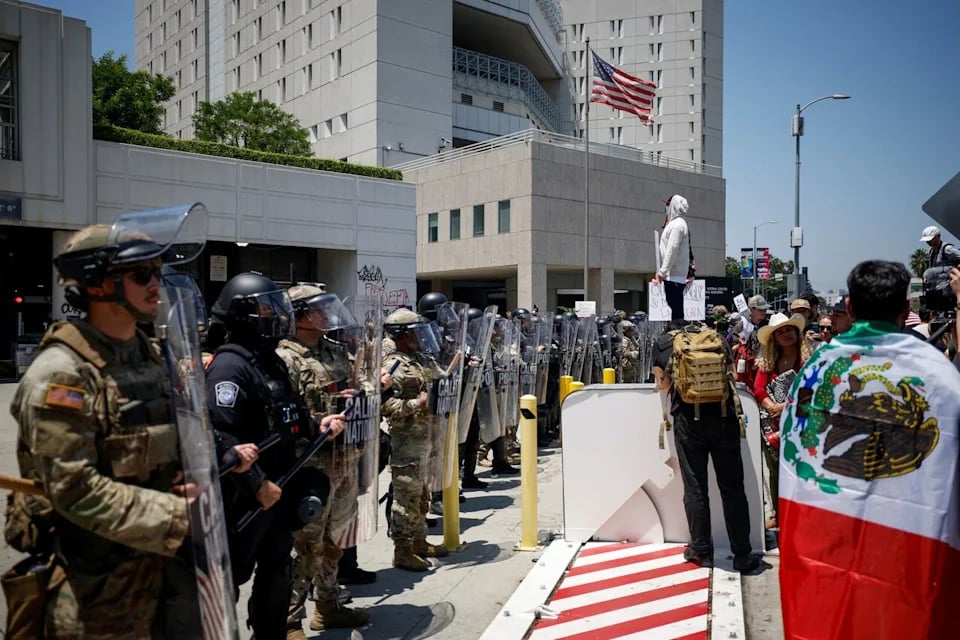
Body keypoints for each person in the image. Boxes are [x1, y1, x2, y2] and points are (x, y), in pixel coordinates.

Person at [7, 222, 221, 637]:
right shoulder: (62, 375)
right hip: (97, 589)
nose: (156, 284)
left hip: (166, 572)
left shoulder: (153, 356)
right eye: (142, 274)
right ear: (97, 283)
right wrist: (179, 515)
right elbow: (74, 489)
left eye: (158, 273)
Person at [779, 260, 960, 639]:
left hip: (825, 543)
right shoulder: (942, 377)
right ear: (905, 311)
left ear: (849, 307)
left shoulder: (816, 370)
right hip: (907, 554)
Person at [206, 273, 345, 640]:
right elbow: (220, 435)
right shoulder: (229, 367)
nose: (275, 314)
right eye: (266, 307)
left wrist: (318, 425)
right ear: (243, 314)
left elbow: (289, 415)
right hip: (245, 500)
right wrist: (256, 485)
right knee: (228, 582)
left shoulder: (269, 361)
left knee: (277, 572)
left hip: (278, 491)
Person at [277, 286, 376, 638]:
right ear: (301, 316)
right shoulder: (285, 358)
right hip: (311, 466)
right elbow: (283, 415)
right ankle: (289, 620)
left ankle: (328, 606)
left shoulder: (335, 351)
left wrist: (359, 393)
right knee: (305, 545)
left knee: (335, 538)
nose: (326, 316)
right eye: (319, 310)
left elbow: (365, 383)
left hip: (344, 460)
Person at [652, 321, 760, 574]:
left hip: (689, 421)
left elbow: (663, 384)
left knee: (695, 486)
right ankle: (742, 554)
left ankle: (701, 550)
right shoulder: (719, 339)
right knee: (732, 487)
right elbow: (731, 375)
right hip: (724, 420)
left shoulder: (664, 343)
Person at [381, 308, 450, 571]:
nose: (420, 336)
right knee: (405, 497)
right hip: (407, 439)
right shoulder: (392, 366)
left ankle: (420, 540)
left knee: (422, 495)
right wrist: (415, 403)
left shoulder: (419, 360)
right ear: (403, 334)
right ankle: (402, 549)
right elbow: (385, 407)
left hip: (427, 436)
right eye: (414, 332)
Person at [753, 313, 811, 532]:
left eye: (789, 330)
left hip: (803, 422)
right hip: (773, 425)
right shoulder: (768, 362)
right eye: (781, 332)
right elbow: (759, 389)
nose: (786, 334)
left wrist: (785, 407)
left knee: (801, 469)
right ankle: (779, 513)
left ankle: (801, 513)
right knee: (775, 470)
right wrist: (772, 407)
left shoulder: (809, 359)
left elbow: (813, 388)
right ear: (774, 338)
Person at [656, 195, 691, 321]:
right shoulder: (677, 224)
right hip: (673, 274)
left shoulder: (677, 225)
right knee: (674, 306)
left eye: (668, 205)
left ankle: (678, 330)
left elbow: (672, 248)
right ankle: (677, 327)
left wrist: (663, 271)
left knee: (675, 309)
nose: (666, 208)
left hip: (674, 274)